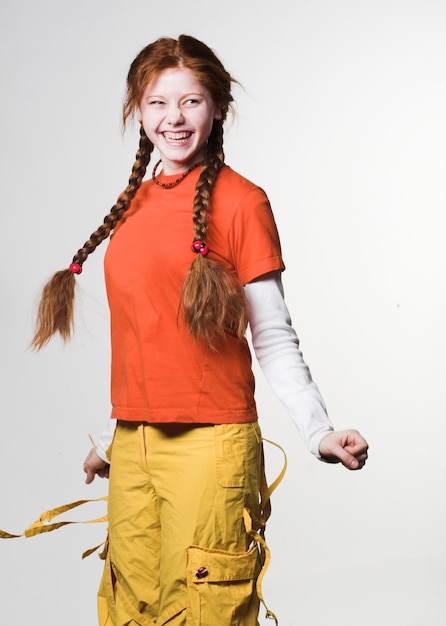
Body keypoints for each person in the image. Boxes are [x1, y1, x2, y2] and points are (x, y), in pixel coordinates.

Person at [32, 34, 368, 626]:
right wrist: (116, 437)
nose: (174, 118)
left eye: (191, 101)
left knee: (205, 614)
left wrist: (319, 431)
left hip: (210, 446)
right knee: (129, 611)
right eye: (158, 103)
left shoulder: (242, 203)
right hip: (135, 448)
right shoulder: (131, 206)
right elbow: (145, 336)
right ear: (138, 110)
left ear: (217, 107)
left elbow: (272, 337)